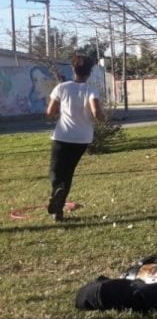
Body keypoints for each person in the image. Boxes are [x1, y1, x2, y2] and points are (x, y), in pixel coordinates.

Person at [45, 55, 105, 222]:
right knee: (68, 172)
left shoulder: (62, 88)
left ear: (73, 69)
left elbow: (50, 113)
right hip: (82, 138)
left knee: (56, 171)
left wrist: (58, 112)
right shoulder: (91, 90)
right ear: (90, 72)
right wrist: (101, 117)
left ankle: (58, 193)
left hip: (62, 135)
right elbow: (96, 113)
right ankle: (59, 209)